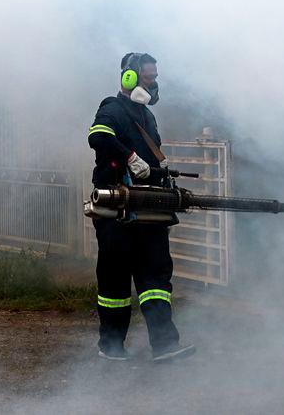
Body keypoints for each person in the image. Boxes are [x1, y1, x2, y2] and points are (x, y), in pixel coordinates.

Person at [87, 52, 195, 362]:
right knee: (114, 281)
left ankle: (164, 345)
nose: (153, 82)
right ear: (130, 77)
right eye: (148, 77)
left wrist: (157, 169)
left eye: (155, 77)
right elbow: (98, 137)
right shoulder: (112, 107)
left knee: (156, 280)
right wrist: (129, 158)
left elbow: (150, 161)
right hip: (117, 211)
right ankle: (111, 347)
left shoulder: (147, 116)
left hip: (148, 209)